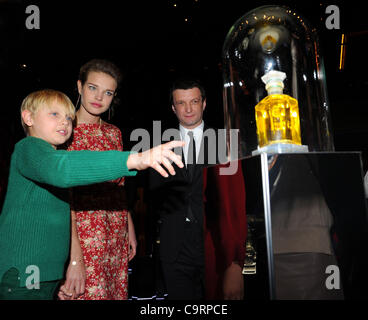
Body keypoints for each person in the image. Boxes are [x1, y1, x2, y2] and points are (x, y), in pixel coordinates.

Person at [0, 89, 184, 300]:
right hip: (24, 273)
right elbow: (63, 168)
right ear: (28, 117)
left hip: (41, 275)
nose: (65, 122)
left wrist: (55, 279)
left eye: (69, 117)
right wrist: (135, 160)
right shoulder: (29, 148)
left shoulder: (53, 158)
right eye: (54, 114)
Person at [149, 78, 246, 300]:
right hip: (174, 247)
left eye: (194, 101)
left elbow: (235, 203)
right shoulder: (159, 145)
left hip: (214, 242)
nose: (189, 108)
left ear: (203, 104)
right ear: (173, 108)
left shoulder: (225, 142)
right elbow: (155, 196)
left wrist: (235, 261)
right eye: (181, 103)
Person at [59, 59, 137, 300]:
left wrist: (129, 227)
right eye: (93, 88)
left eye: (108, 92)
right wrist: (74, 258)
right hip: (80, 235)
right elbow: (62, 197)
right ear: (80, 86)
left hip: (114, 231)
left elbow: (119, 187)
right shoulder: (62, 132)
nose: (99, 97)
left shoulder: (114, 134)